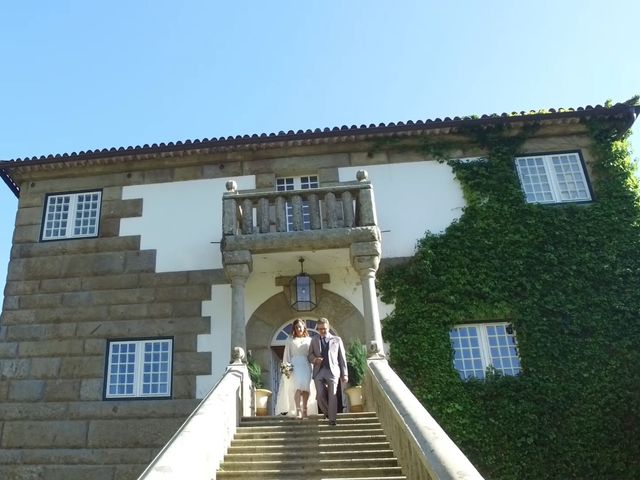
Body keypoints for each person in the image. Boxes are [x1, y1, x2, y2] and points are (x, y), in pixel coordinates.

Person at [308, 317, 348, 426]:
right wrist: (315, 360)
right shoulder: (314, 340)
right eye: (320, 329)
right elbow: (309, 356)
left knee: (333, 394)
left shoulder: (337, 339)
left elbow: (342, 358)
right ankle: (328, 413)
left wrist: (344, 374)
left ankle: (332, 420)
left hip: (333, 371)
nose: (322, 331)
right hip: (319, 372)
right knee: (320, 395)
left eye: (324, 329)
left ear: (328, 327)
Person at [274, 318, 315, 419]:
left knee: (306, 388)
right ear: (294, 328)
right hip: (295, 364)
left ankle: (305, 410)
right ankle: (298, 412)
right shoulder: (290, 339)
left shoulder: (309, 340)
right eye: (296, 327)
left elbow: (311, 354)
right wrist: (286, 367)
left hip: (306, 364)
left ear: (304, 327)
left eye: (300, 326)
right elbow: (286, 355)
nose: (299, 329)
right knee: (297, 387)